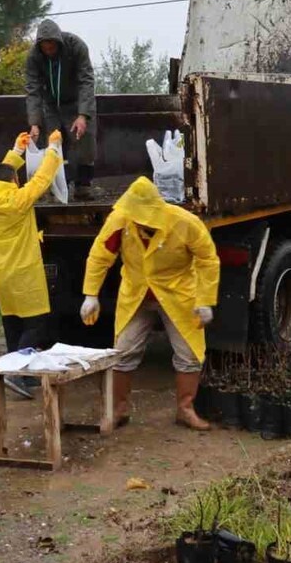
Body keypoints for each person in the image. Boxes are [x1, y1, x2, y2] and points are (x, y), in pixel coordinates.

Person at [80, 176, 220, 430]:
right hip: (136, 293)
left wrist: (205, 300)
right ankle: (118, 411)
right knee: (122, 352)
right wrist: (91, 294)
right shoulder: (120, 220)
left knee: (189, 353)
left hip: (178, 294)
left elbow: (208, 259)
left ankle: (185, 410)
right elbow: (100, 256)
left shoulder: (184, 222)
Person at [0, 129, 65, 398]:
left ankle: (17, 375)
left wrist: (17, 151)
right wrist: (53, 149)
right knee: (37, 323)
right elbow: (41, 179)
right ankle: (17, 373)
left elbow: (2, 174)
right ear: (13, 183)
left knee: (12, 321)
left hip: (1, 271)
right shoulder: (17, 201)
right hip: (22, 271)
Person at [25, 19, 97, 200]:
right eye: (45, 49)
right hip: (51, 106)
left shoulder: (76, 46)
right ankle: (57, 188)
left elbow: (86, 81)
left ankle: (83, 186)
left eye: (52, 48)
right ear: (40, 46)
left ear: (58, 43)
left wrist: (83, 114)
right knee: (54, 145)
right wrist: (34, 123)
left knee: (84, 140)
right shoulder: (34, 57)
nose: (49, 52)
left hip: (76, 103)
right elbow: (32, 90)